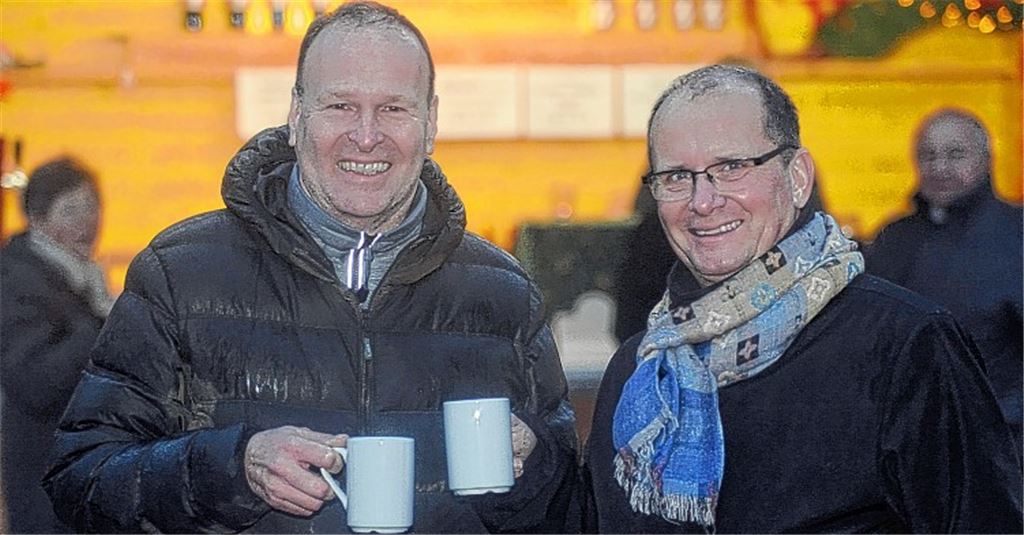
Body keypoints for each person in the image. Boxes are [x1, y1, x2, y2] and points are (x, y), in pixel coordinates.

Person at [43, 2, 577, 533]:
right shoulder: (181, 274)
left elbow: (569, 507)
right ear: (297, 117)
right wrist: (231, 469)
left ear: (430, 122)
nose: (366, 136)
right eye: (340, 106)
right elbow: (81, 480)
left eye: (394, 109)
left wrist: (536, 473)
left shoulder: (504, 295)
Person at [582, 65, 1022, 533]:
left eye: (731, 167)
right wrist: (533, 476)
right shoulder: (640, 369)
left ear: (797, 178)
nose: (702, 200)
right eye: (675, 177)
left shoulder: (904, 347)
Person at [867, 108, 1023, 444]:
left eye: (955, 154)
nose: (940, 168)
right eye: (928, 155)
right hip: (908, 440)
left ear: (985, 158)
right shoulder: (893, 239)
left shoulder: (1017, 235)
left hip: (1002, 443)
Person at [1, 156, 114, 533]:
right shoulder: (18, 280)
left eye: (92, 206)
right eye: (70, 210)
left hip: (78, 473)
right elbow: (35, 381)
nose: (87, 221)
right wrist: (100, 321)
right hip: (43, 476)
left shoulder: (84, 278)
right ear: (38, 219)